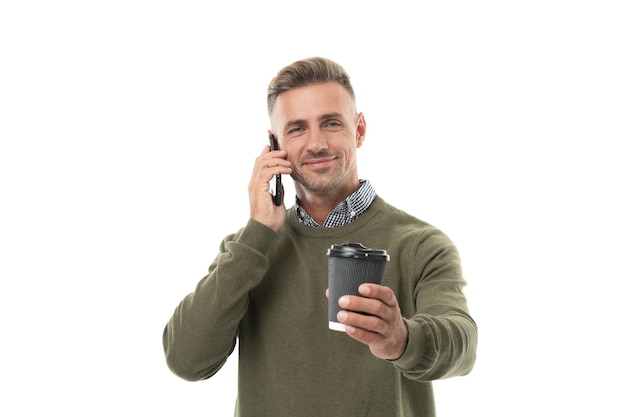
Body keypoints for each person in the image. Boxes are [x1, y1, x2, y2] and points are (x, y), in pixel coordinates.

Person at [163, 57, 477, 417]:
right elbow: (186, 360)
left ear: (358, 131)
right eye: (297, 129)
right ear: (274, 143)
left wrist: (401, 339)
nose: (316, 144)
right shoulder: (249, 251)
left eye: (331, 124)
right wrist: (258, 232)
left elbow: (462, 345)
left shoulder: (421, 245)